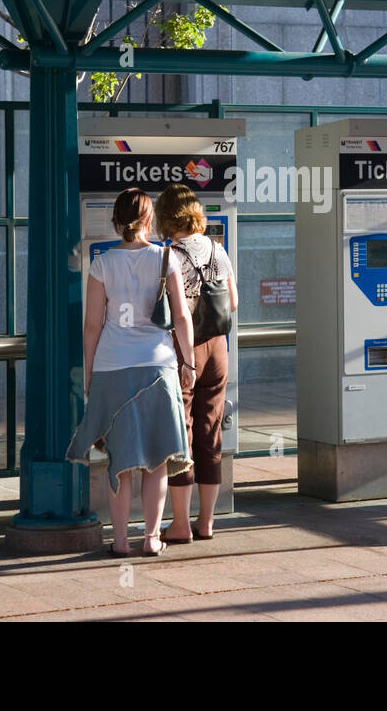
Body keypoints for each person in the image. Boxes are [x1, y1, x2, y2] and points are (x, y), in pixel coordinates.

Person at [66, 188, 195, 557]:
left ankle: (120, 541)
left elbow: (92, 326)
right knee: (157, 458)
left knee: (120, 461)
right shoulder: (166, 258)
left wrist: (89, 374)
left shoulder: (103, 263)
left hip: (112, 366)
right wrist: (189, 363)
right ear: (149, 220)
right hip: (158, 364)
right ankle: (151, 538)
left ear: (116, 221)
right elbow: (182, 317)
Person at [155, 183, 238, 543]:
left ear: (165, 217)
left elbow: (162, 310)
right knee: (210, 432)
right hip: (219, 348)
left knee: (182, 432)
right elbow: (232, 301)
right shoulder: (216, 248)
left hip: (183, 348)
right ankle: (206, 522)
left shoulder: (168, 255)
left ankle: (179, 524)